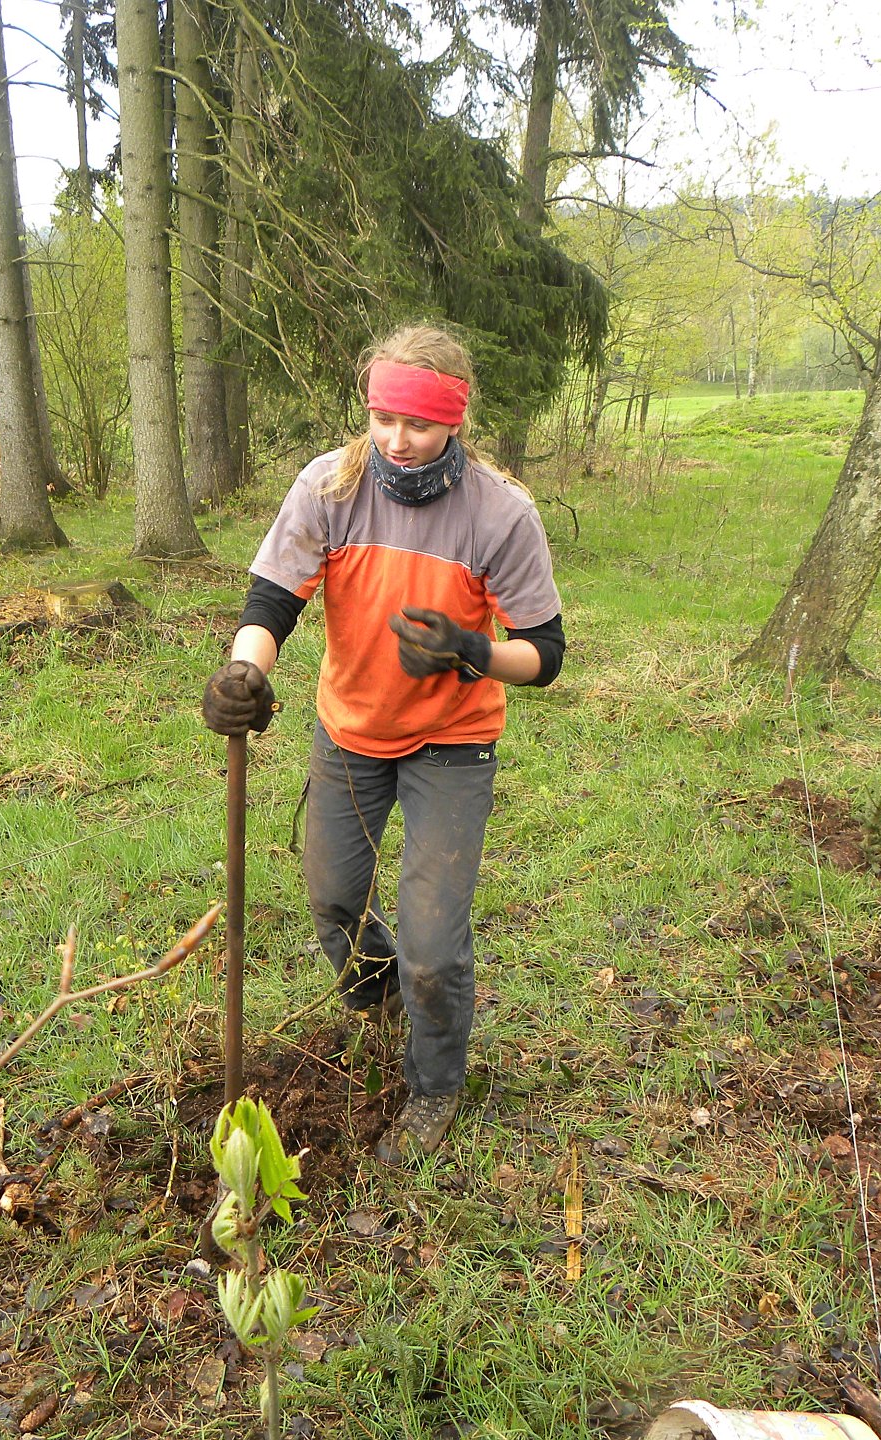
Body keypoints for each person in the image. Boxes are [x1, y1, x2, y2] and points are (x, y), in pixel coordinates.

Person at [200, 324, 565, 1164]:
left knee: (432, 946)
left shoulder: (500, 512)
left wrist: (473, 652)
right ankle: (387, 999)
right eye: (384, 418)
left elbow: (545, 654)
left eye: (420, 425)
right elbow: (272, 601)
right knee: (334, 903)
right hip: (350, 733)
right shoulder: (329, 486)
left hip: (452, 744)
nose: (398, 441)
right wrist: (244, 675)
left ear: (455, 422)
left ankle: (435, 1083)